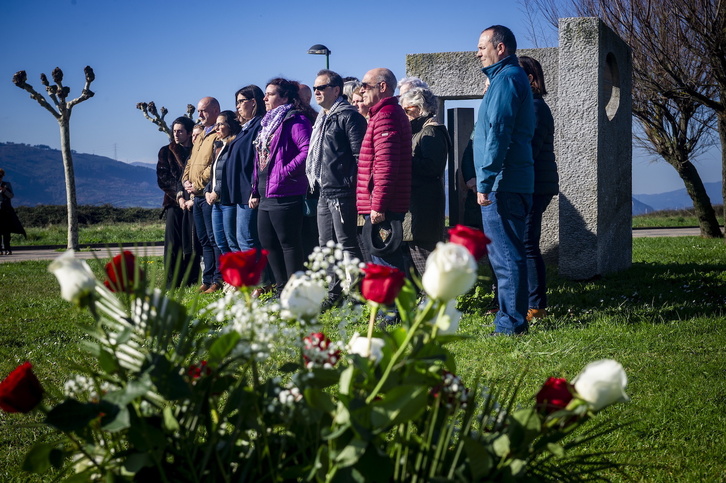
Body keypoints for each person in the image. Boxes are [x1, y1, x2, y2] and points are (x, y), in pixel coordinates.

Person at [474, 25, 535, 336]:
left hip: (503, 182)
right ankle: (511, 319)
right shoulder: (507, 78)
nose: (478, 52)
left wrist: (485, 182)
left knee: (506, 256)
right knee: (509, 253)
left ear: (500, 48)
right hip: (511, 180)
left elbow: (499, 133)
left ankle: (510, 324)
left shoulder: (507, 79)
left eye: (482, 46)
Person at [307, 69, 367, 306]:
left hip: (342, 190)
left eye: (321, 88)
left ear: (336, 90)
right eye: (314, 88)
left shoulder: (348, 116)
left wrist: (352, 186)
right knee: (326, 246)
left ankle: (357, 294)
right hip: (324, 189)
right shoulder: (323, 117)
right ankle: (334, 294)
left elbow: (359, 155)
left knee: (347, 244)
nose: (316, 92)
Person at [250, 78, 312, 295]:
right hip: (266, 193)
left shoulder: (295, 120)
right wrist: (255, 188)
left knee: (289, 244)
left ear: (285, 97)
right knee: (268, 244)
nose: (265, 98)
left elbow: (307, 151)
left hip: (286, 192)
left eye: (270, 94)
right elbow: (260, 159)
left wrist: (286, 172)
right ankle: (280, 289)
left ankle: (296, 293)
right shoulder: (267, 123)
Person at [356, 68, 412, 272]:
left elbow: (385, 165)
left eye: (365, 86)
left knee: (385, 265)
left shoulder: (386, 116)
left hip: (384, 207)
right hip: (385, 203)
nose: (361, 91)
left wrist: (378, 205)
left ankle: (392, 305)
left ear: (382, 86)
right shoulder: (384, 114)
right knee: (384, 262)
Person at [518, 55, 559, 321]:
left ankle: (537, 306)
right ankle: (524, 302)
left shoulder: (534, 107)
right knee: (522, 244)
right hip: (531, 183)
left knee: (528, 244)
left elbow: (528, 151)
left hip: (534, 185)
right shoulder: (529, 106)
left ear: (531, 79)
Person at [399, 87, 451, 278]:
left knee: (425, 257)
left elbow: (432, 167)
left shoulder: (432, 131)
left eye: (407, 109)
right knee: (414, 255)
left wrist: (403, 159)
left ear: (420, 108)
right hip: (417, 202)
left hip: (425, 203)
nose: (404, 114)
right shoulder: (419, 131)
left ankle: (437, 300)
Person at [181, 97, 223, 294]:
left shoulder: (218, 133)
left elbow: (213, 165)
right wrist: (186, 181)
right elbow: (191, 161)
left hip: (206, 195)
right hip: (195, 196)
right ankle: (206, 279)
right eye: (198, 111)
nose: (199, 115)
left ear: (215, 110)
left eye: (203, 111)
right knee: (204, 239)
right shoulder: (202, 134)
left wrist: (198, 185)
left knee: (214, 239)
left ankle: (217, 280)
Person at [156, 116, 200, 287]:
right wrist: (179, 195)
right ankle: (170, 283)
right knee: (173, 244)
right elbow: (163, 178)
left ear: (189, 133)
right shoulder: (166, 151)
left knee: (193, 242)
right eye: (174, 131)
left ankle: (192, 281)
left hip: (196, 201)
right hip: (174, 203)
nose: (176, 134)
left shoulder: (196, 150)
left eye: (180, 131)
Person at [206, 110, 242, 256]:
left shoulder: (234, 145)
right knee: (221, 242)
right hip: (215, 203)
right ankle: (232, 277)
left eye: (221, 124)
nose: (217, 128)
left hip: (228, 201)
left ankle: (242, 277)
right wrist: (207, 191)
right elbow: (214, 173)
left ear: (230, 125)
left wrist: (217, 191)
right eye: (216, 124)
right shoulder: (219, 146)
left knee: (232, 241)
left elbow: (230, 173)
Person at [0, 168, 26, 255]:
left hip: (6, 210)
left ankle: (7, 248)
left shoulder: (7, 185)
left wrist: (4, 191)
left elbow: (11, 196)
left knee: (6, 231)